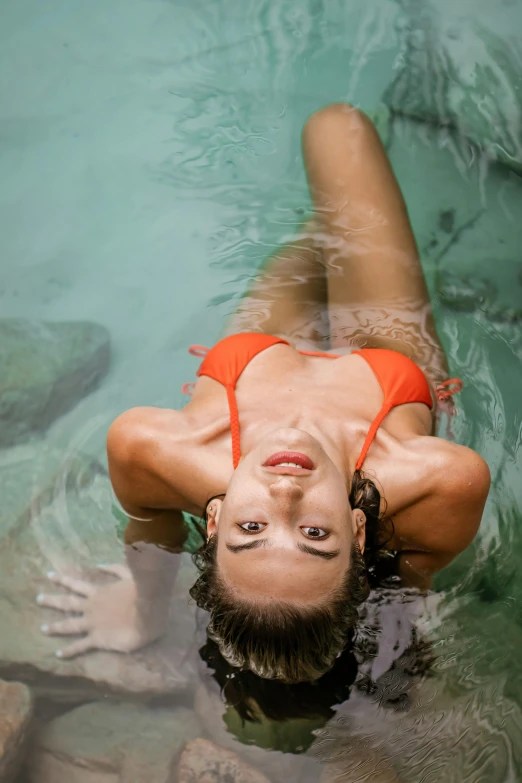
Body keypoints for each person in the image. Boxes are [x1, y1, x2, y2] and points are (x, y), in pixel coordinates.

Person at [37, 103, 490, 682]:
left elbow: (151, 532)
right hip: (388, 356)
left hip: (254, 356)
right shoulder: (439, 480)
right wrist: (398, 635)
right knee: (337, 128)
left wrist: (142, 612)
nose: (284, 495)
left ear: (219, 517)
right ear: (356, 531)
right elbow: (413, 574)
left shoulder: (153, 447)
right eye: (315, 534)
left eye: (251, 530)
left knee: (323, 225)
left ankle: (324, 228)